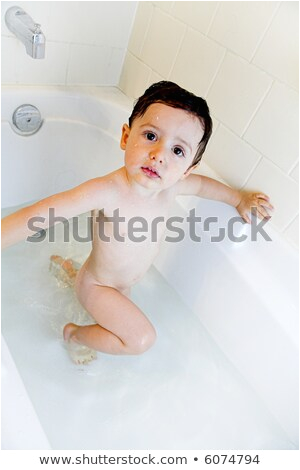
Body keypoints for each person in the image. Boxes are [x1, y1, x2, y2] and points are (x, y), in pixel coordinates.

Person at [1, 81, 273, 364]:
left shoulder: (171, 186)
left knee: (121, 316)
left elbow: (204, 187)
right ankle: (73, 334)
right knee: (140, 339)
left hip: (121, 284)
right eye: (151, 136)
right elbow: (38, 215)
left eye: (178, 151)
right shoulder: (107, 191)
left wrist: (238, 199)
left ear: (187, 170)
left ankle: (71, 273)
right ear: (125, 137)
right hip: (98, 286)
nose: (159, 156)